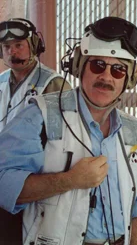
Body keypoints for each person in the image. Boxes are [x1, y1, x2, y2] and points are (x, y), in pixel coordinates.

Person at [0, 16, 137, 245]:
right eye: (97, 65)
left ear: (129, 79)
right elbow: (4, 184)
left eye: (118, 70)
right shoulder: (39, 116)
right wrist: (70, 180)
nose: (106, 77)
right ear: (78, 67)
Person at [0, 17, 71, 244]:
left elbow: (62, 144)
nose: (12, 52)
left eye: (18, 45)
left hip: (33, 187)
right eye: (6, 47)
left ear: (34, 45)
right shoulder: (0, 82)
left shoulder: (53, 85)